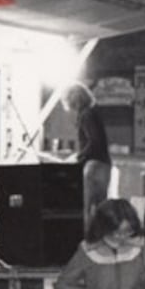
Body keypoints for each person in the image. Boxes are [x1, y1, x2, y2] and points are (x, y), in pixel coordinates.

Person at [60, 84, 110, 222]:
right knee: (101, 207)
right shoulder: (93, 112)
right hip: (104, 164)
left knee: (87, 208)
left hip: (93, 165)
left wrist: (78, 157)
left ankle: (89, 239)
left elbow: (94, 141)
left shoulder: (86, 115)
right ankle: (100, 239)